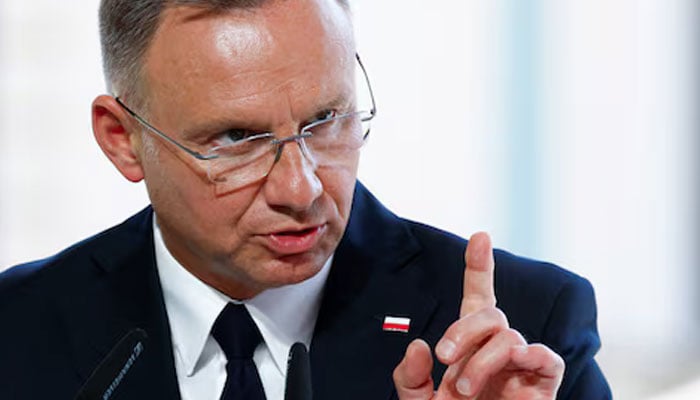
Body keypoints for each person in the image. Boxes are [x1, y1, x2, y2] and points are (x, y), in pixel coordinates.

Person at [0, 0, 611, 399]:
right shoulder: (16, 329)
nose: (303, 189)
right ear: (123, 141)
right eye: (237, 138)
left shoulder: (529, 333)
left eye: (325, 121)